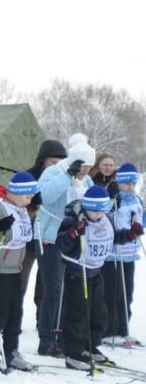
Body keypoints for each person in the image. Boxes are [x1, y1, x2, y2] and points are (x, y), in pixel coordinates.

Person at [35, 135, 95, 357]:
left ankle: (66, 336)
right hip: (50, 237)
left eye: (88, 167)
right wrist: (67, 174)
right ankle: (47, 338)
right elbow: (45, 197)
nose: (84, 171)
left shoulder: (87, 181)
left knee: (71, 290)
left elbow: (93, 204)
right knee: (54, 290)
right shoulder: (54, 172)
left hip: (74, 239)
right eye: (81, 166)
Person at [0, 172, 39, 371]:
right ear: (16, 193)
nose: (29, 201)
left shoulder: (21, 210)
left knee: (15, 313)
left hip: (15, 268)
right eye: (27, 196)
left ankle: (11, 350)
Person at [55, 186, 119, 370]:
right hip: (77, 272)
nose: (97, 214)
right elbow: (61, 244)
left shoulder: (106, 219)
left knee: (98, 312)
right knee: (78, 313)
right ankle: (73, 352)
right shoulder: (73, 219)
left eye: (101, 210)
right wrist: (73, 233)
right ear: (86, 206)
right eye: (93, 210)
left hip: (96, 271)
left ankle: (90, 345)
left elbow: (113, 238)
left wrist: (129, 235)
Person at [19, 139, 68, 297]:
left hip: (50, 237)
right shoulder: (29, 176)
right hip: (27, 235)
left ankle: (42, 311)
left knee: (47, 282)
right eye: (53, 162)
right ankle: (13, 309)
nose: (57, 165)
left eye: (60, 162)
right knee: (21, 278)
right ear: (42, 160)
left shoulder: (64, 178)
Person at [104, 164, 143, 344]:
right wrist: (110, 199)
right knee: (113, 293)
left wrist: (139, 226)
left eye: (133, 183)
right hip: (113, 253)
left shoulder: (136, 199)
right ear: (118, 182)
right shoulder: (113, 198)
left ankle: (123, 328)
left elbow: (141, 218)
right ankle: (109, 330)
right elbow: (103, 217)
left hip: (130, 253)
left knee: (128, 292)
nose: (130, 187)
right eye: (126, 183)